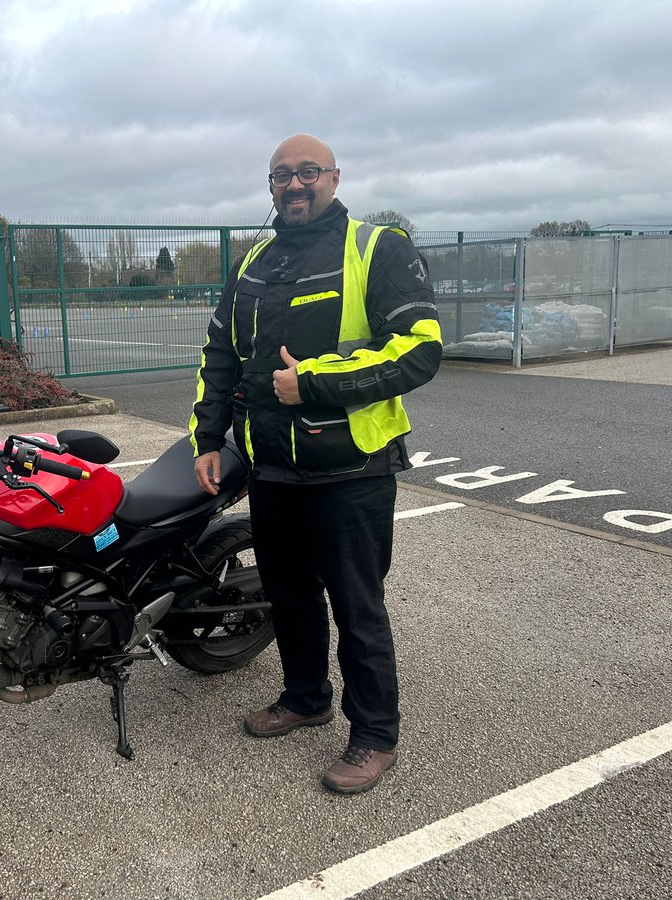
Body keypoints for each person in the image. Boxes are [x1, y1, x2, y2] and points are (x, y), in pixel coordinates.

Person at [189, 134, 441, 794]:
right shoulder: (255, 260)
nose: (294, 185)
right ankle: (305, 698)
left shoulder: (377, 248)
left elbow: (419, 350)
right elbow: (220, 355)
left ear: (334, 177)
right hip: (272, 467)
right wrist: (208, 438)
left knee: (358, 607)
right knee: (290, 595)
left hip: (350, 471)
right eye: (282, 176)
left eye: (308, 173)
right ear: (270, 186)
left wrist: (316, 383)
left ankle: (375, 735)